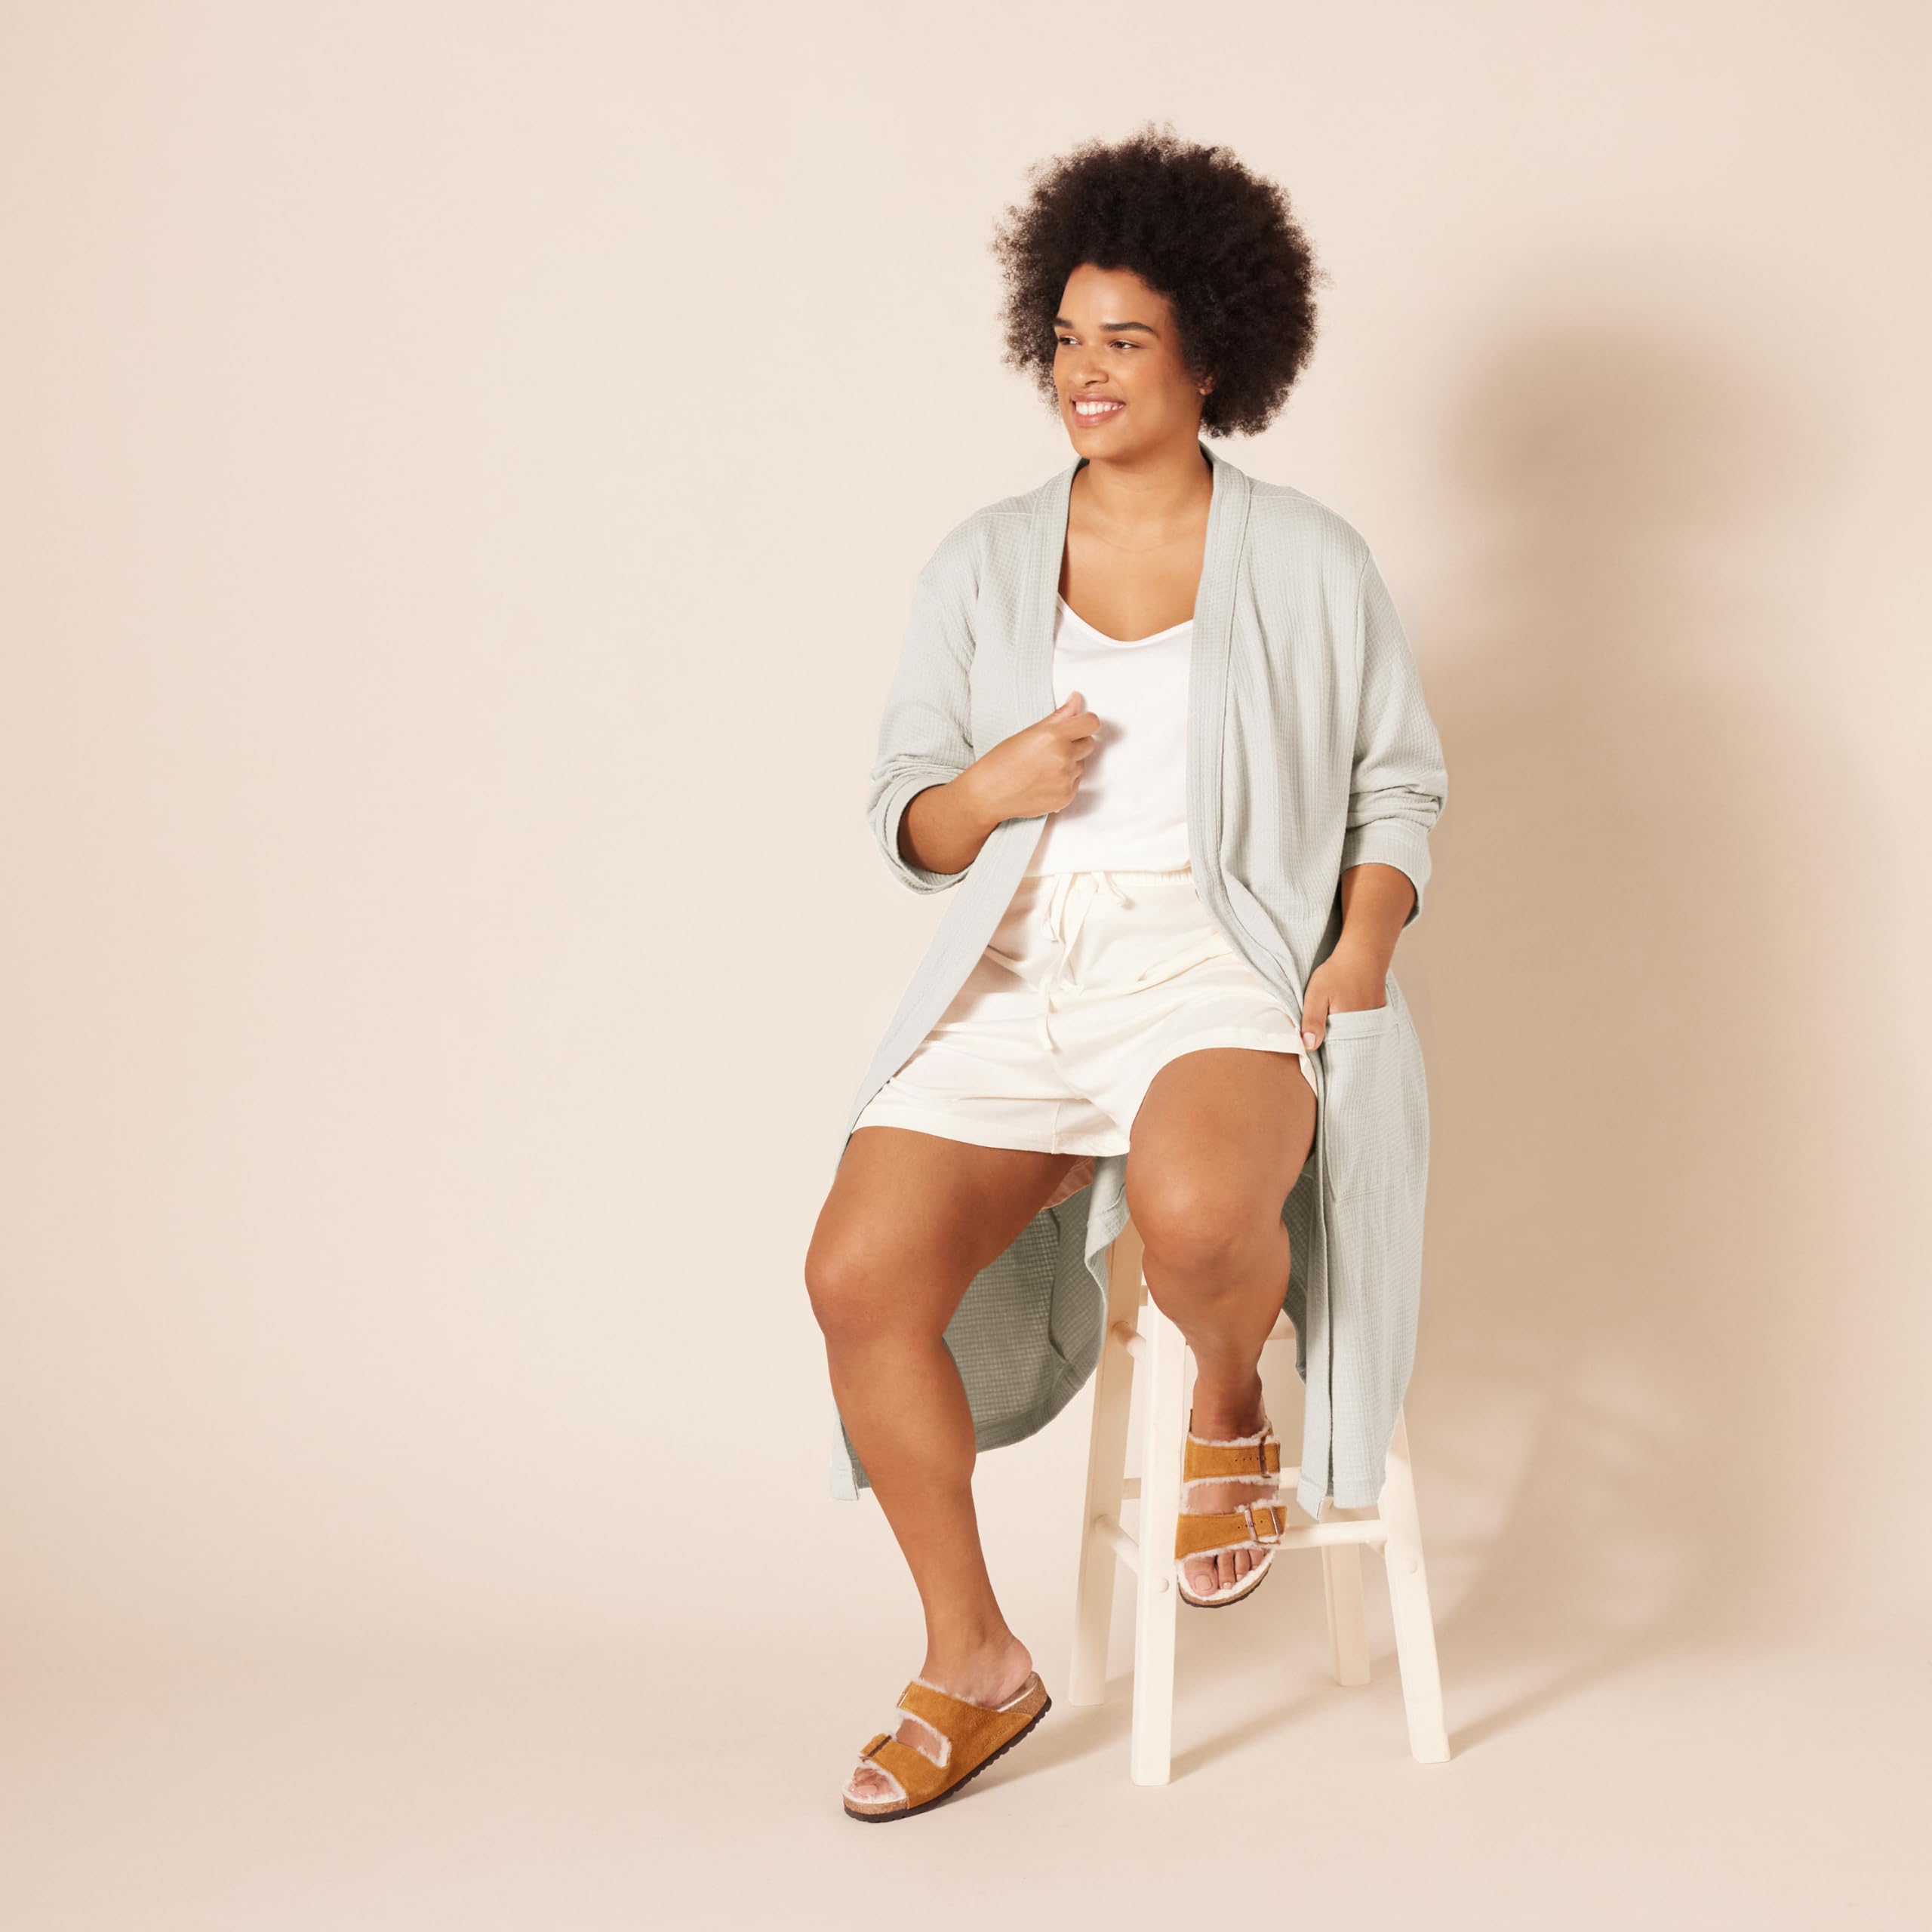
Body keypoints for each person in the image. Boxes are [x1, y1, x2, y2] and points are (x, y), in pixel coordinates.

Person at [804, 125, 1447, 1823]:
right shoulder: (980, 561)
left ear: (1212, 356)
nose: (1082, 373)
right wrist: (991, 789)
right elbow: (906, 815)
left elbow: (1396, 787)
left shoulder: (1309, 559)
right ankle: (971, 1658)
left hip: (1214, 966)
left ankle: (1226, 1401)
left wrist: (1360, 946)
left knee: (1201, 1216)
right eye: (1065, 338)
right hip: (1019, 973)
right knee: (855, 1273)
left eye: (1125, 341)